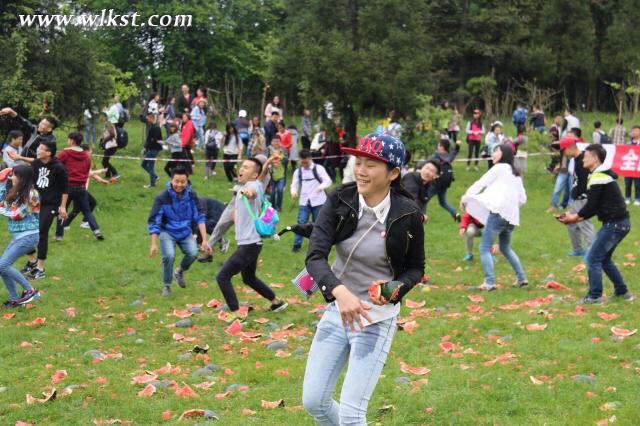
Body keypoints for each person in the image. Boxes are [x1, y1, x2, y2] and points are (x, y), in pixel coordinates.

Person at [303, 133, 425, 425]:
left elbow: (416, 268)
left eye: (371, 164)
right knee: (314, 402)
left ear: (393, 173)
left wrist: (393, 289)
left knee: (351, 414)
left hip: (375, 319)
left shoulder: (408, 215)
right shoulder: (340, 199)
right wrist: (340, 294)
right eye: (358, 162)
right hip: (338, 311)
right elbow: (314, 257)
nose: (360, 170)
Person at [558, 144, 635, 304]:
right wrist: (574, 217)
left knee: (593, 258)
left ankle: (594, 296)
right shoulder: (599, 175)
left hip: (615, 224)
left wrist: (574, 218)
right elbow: (594, 207)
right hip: (620, 223)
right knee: (604, 258)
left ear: (595, 158)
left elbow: (591, 206)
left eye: (586, 155)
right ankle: (622, 292)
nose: (583, 158)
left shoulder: (598, 177)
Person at [215, 158, 288, 319]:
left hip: (249, 244)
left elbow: (253, 190)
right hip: (252, 243)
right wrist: (267, 164)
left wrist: (248, 194)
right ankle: (277, 302)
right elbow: (260, 179)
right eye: (242, 166)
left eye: (246, 167)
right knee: (248, 278)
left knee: (222, 277)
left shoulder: (252, 187)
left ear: (253, 174)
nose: (241, 169)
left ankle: (236, 315)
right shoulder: (257, 183)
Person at [461, 144, 527, 291]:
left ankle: (489, 282)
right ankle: (522, 278)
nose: (494, 153)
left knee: (484, 247)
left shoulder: (499, 168)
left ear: (504, 154)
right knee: (505, 247)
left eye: (497, 150)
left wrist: (465, 198)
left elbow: (480, 183)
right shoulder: (516, 173)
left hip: (498, 214)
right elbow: (523, 199)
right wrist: (509, 205)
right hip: (511, 218)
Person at [148, 167, 211, 296]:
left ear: (187, 181)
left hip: (185, 231)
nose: (179, 185)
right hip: (168, 232)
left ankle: (179, 271)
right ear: (171, 180)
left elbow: (200, 216)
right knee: (169, 256)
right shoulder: (162, 197)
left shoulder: (191, 195)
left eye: (183, 182)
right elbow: (155, 220)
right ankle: (167, 285)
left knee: (193, 253)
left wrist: (204, 240)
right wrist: (153, 243)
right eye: (177, 181)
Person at [18, 140, 68, 280]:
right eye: (38, 148)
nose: (37, 150)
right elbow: (31, 183)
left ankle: (40, 268)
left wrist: (62, 206)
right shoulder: (35, 164)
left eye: (41, 149)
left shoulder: (59, 168)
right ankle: (32, 261)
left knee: (41, 232)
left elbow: (65, 189)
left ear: (48, 153)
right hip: (35, 202)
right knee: (23, 229)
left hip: (50, 204)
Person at [0, 165, 41, 307]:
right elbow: (2, 203)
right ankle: (15, 298)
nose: (12, 177)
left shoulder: (32, 194)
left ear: (22, 178)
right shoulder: (15, 192)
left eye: (15, 175)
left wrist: (3, 210)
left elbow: (18, 215)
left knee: (3, 265)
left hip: (29, 236)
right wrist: (1, 183)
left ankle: (30, 290)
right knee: (2, 267)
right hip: (19, 237)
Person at [55, 132, 105, 241]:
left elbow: (56, 166)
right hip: (81, 187)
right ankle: (97, 231)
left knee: (62, 209)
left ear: (72, 141)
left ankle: (59, 236)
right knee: (87, 211)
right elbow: (87, 171)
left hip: (67, 187)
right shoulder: (86, 156)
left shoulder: (65, 153)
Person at [555, 137, 594, 257]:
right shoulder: (576, 160)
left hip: (583, 198)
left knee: (585, 224)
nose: (564, 154)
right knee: (571, 223)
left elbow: (584, 182)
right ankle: (578, 249)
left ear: (570, 148)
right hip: (575, 198)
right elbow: (576, 181)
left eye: (563, 151)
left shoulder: (583, 160)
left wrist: (580, 196)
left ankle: (593, 252)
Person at [290, 149, 332, 252]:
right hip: (304, 201)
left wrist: (320, 187)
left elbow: (328, 181)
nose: (304, 164)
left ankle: (318, 245)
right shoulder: (298, 171)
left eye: (306, 162)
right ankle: (296, 245)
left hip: (319, 201)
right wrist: (293, 191)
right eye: (302, 162)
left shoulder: (319, 168)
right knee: (301, 222)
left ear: (310, 158)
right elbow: (294, 184)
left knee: (318, 223)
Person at [426, 139, 461, 221]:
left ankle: (421, 218)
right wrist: (458, 146)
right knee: (443, 202)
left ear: (442, 147)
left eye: (438, 145)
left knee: (424, 200)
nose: (437, 147)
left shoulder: (435, 156)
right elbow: (455, 152)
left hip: (435, 184)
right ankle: (455, 214)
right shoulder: (449, 156)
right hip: (444, 184)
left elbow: (425, 164)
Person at [141, 113, 163, 188]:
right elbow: (149, 139)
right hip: (150, 149)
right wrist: (145, 147)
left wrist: (146, 147)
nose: (147, 120)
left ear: (152, 118)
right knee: (143, 164)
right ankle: (155, 177)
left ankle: (152, 184)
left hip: (154, 149)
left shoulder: (156, 128)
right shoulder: (151, 126)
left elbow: (153, 140)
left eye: (148, 119)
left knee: (150, 167)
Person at [268, 135, 286, 211]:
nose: (276, 143)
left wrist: (280, 160)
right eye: (274, 141)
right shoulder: (268, 150)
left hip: (281, 174)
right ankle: (272, 207)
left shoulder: (283, 150)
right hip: (271, 175)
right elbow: (266, 160)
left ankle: (279, 207)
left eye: (278, 141)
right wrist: (272, 162)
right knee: (272, 193)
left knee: (280, 190)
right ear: (271, 142)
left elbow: (286, 159)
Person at [624, 125, 640, 206]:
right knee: (627, 184)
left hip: (637, 167)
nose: (634, 132)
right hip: (628, 166)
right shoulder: (628, 143)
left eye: (636, 130)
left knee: (638, 184)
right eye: (632, 130)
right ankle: (627, 198)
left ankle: (637, 198)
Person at [100, 114, 119, 180]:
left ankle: (115, 173)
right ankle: (108, 175)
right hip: (109, 146)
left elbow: (112, 134)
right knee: (105, 161)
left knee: (104, 161)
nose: (100, 118)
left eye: (101, 116)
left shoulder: (108, 124)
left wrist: (104, 140)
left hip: (112, 146)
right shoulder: (106, 124)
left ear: (105, 117)